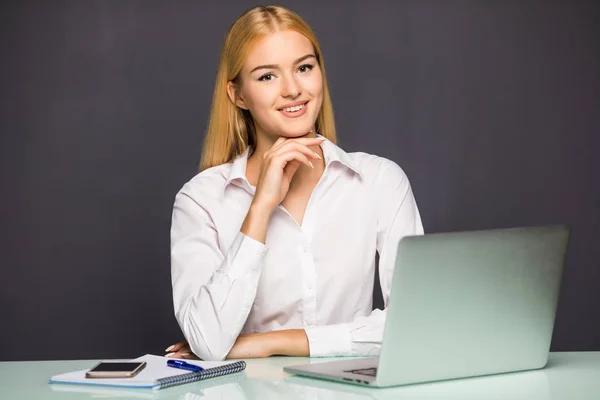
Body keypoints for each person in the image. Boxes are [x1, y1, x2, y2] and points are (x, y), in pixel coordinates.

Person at [166, 5, 423, 361]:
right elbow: (207, 341)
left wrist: (268, 343)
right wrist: (260, 208)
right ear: (238, 95)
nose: (292, 90)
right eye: (267, 76)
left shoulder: (379, 181)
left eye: (304, 68)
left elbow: (415, 324)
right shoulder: (201, 200)